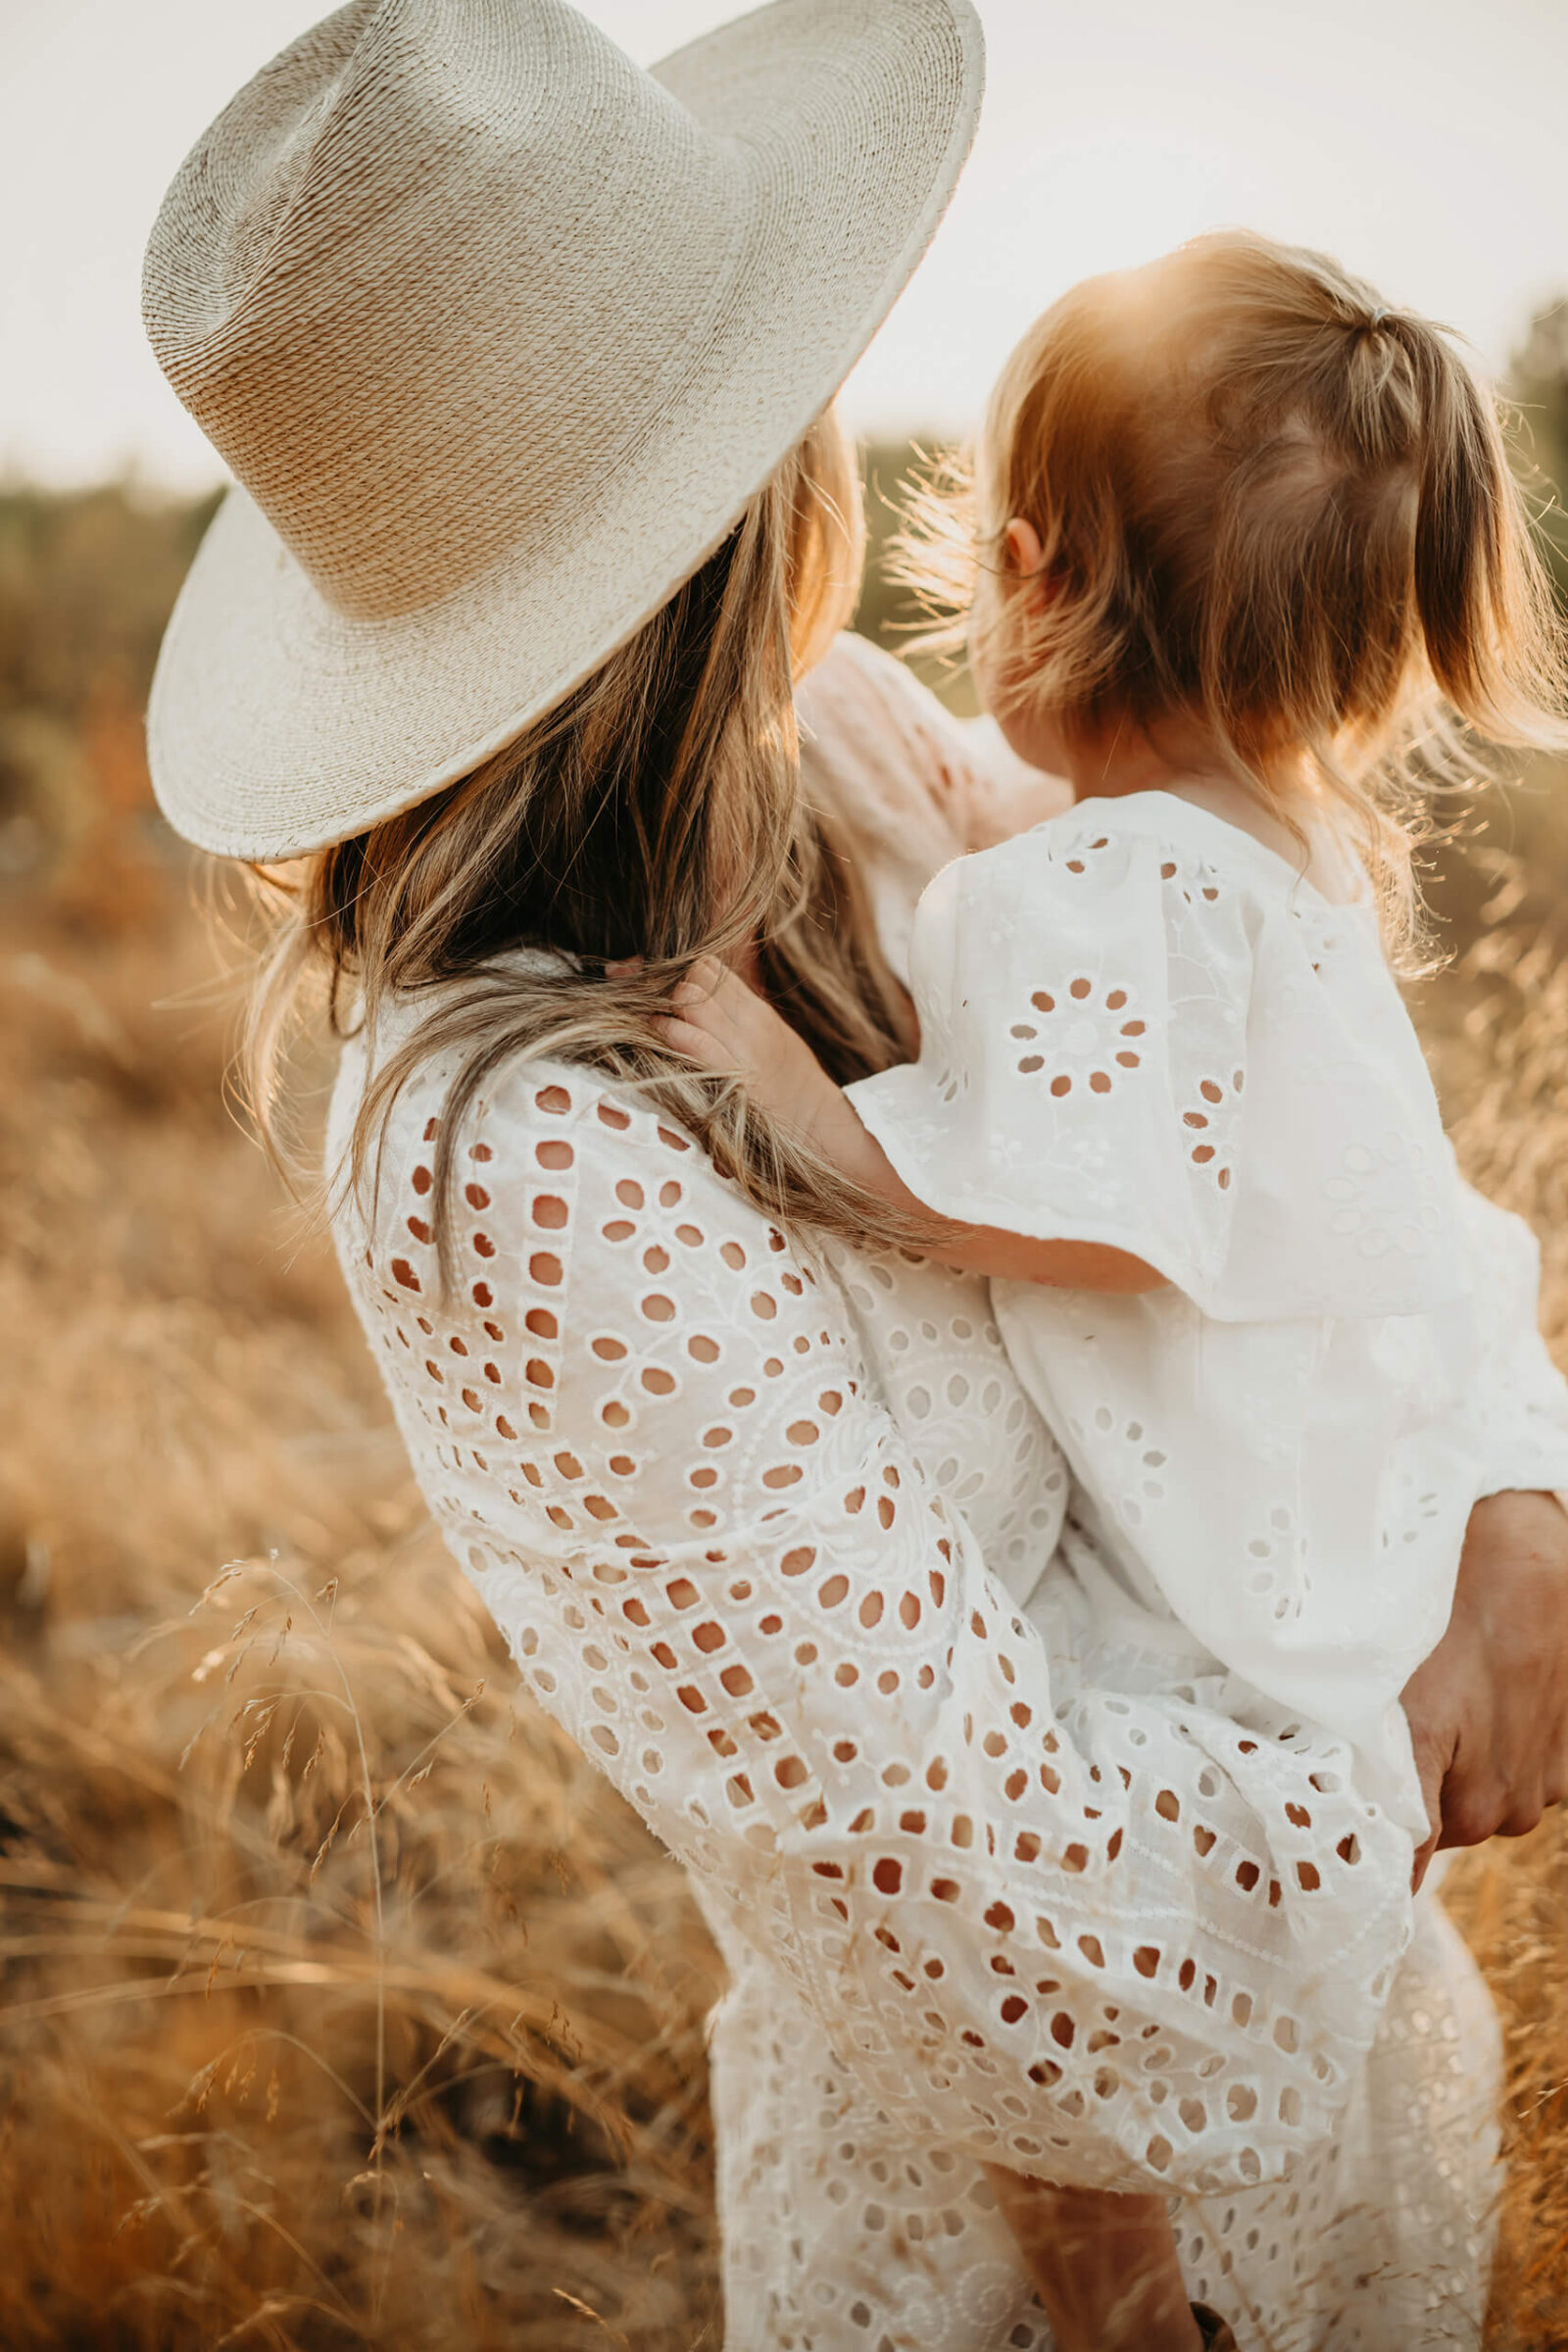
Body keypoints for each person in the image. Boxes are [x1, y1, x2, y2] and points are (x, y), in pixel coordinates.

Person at [134, 9, 1568, 2344]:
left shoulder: (867, 754)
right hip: (1047, 2260)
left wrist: (1512, 1497)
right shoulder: (525, 1157)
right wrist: (1376, 1744)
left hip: (1313, 2112)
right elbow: (1007, 1947)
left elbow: (1310, 1144)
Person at [659, 231, 1568, 2345]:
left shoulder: (1101, 883)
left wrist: (811, 1122)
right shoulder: (1273, 855)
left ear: (1037, 571)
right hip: (1336, 1548)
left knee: (1039, 1825)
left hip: (1192, 1592)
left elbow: (1093, 1193)